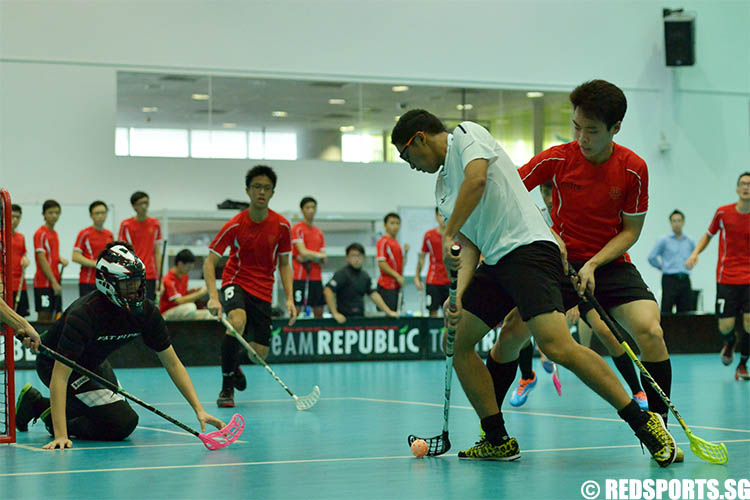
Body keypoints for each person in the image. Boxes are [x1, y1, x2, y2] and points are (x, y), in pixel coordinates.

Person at [391, 108, 677, 465]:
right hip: (495, 262)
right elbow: (468, 246)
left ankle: (642, 421)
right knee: (457, 341)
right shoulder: (442, 189)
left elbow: (477, 180)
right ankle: (496, 438)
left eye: (406, 156)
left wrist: (447, 233)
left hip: (528, 250)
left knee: (557, 346)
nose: (410, 165)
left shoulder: (467, 135)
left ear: (419, 138)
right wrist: (458, 302)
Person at [14, 241, 224, 449]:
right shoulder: (84, 314)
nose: (135, 290)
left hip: (95, 364)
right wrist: (61, 435)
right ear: (107, 283)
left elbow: (173, 364)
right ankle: (49, 415)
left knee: (108, 413)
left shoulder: (147, 312)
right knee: (123, 423)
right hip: (54, 365)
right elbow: (60, 376)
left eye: (138, 282)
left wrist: (199, 409)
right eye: (127, 284)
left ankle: (36, 403)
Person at [204, 165, 297, 408]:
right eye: (257, 187)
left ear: (273, 193)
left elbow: (285, 264)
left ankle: (233, 364)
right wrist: (214, 297)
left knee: (259, 354)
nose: (261, 192)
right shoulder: (236, 224)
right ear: (248, 190)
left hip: (264, 289)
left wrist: (289, 298)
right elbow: (210, 261)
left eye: (267, 188)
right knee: (237, 322)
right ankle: (226, 390)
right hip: (236, 280)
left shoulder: (282, 226)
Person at [686, 172, 750, 380]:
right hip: (727, 278)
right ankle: (730, 342)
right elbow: (709, 235)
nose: (746, 187)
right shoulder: (723, 213)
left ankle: (742, 365)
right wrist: (695, 253)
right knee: (726, 326)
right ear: (737, 188)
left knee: (749, 322)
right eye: (743, 184)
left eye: (749, 184)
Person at [324, 243, 398, 323]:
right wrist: (335, 313)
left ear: (364, 258)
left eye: (359, 256)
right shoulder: (342, 274)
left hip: (360, 318)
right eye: (353, 256)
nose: (356, 259)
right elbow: (328, 291)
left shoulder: (365, 276)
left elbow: (373, 294)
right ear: (347, 258)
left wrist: (388, 311)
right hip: (343, 319)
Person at [648, 210, 696, 314]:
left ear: (683, 222)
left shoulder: (689, 241)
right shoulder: (664, 240)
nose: (677, 223)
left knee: (686, 311)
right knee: (667, 310)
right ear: (670, 223)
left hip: (684, 279)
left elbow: (694, 256)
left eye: (679, 220)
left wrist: (692, 264)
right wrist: (662, 267)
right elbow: (652, 257)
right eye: (674, 221)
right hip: (670, 279)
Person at [118, 191, 163, 302]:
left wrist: (160, 278)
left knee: (149, 307)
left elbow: (157, 252)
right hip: (133, 274)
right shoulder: (126, 225)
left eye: (146, 203)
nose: (144, 206)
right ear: (134, 206)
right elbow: (123, 252)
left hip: (150, 275)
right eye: (140, 203)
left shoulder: (155, 224)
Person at [291, 196, 327, 318]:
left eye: (313, 207)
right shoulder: (297, 229)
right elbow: (303, 252)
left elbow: (324, 259)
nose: (311, 210)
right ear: (302, 210)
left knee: (319, 308)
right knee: (296, 308)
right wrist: (317, 256)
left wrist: (309, 256)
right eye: (308, 207)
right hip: (300, 276)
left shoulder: (319, 233)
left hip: (316, 276)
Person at [33, 200, 68, 322]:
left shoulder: (54, 233)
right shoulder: (40, 233)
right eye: (51, 212)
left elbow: (51, 256)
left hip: (55, 282)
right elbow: (42, 259)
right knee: (44, 317)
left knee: (55, 317)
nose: (54, 215)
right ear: (44, 214)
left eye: (57, 212)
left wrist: (60, 260)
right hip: (44, 283)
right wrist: (53, 282)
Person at [73, 201, 114, 297]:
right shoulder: (84, 234)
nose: (100, 216)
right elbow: (75, 256)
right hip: (87, 282)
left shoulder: (109, 235)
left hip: (105, 282)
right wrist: (96, 264)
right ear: (91, 215)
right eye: (97, 213)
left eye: (103, 213)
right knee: (87, 311)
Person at [414, 208, 449, 317]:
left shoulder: (456, 236)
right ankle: (433, 334)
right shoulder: (429, 235)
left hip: (450, 281)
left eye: (445, 215)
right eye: (440, 215)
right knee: (432, 311)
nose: (443, 219)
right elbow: (422, 257)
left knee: (450, 312)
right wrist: (417, 277)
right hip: (433, 281)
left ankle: (448, 334)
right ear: (436, 217)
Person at [159, 249, 211, 320]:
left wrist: (192, 291)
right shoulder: (168, 279)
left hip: (181, 310)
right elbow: (178, 301)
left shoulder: (184, 276)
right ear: (180, 264)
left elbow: (183, 295)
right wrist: (200, 293)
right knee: (190, 307)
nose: (189, 270)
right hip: (166, 313)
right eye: (188, 267)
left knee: (208, 314)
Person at [376, 213, 408, 313]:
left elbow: (400, 265)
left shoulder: (396, 243)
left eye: (397, 223)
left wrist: (406, 253)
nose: (395, 226)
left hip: (397, 286)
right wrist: (397, 276)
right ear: (385, 225)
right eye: (392, 223)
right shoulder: (383, 242)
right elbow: (381, 263)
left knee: (397, 314)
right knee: (388, 316)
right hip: (386, 286)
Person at [10, 204, 30, 317]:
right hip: (5, 284)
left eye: (18, 217)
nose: (15, 220)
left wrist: (25, 260)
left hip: (20, 284)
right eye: (12, 216)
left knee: (20, 317)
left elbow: (23, 254)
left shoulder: (21, 237)